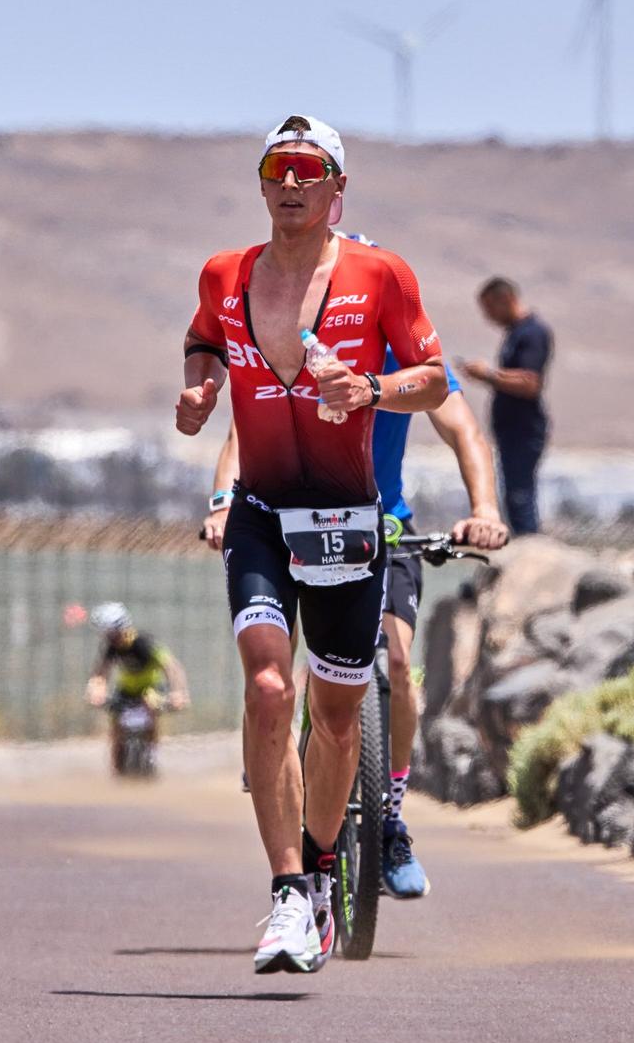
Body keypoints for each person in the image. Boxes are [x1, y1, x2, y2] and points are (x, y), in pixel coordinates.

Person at [178, 113, 449, 975]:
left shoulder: (382, 275)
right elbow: (200, 339)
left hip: (347, 521)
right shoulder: (226, 273)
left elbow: (436, 381)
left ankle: (326, 873)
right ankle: (288, 892)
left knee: (334, 719)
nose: (291, 184)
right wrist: (198, 388)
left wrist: (367, 387)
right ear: (261, 184)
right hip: (260, 509)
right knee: (266, 684)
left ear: (338, 190)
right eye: (277, 169)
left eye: (309, 171)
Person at [206, 230, 508, 898]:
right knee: (274, 669)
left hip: (381, 528)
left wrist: (483, 508)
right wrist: (224, 501)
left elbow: (462, 427)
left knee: (397, 665)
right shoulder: (294, 352)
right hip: (289, 521)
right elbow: (239, 434)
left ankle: (391, 817)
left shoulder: (404, 356)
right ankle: (279, 763)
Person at [456, 277, 553, 536]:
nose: (488, 317)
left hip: (524, 429)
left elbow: (530, 382)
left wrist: (487, 374)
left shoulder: (533, 332)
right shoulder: (515, 333)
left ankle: (529, 548)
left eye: (490, 308)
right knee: (512, 493)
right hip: (511, 430)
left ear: (506, 299)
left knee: (520, 495)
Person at [84, 603, 191, 773]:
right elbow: (100, 672)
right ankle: (117, 768)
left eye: (113, 634)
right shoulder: (112, 648)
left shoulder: (144, 643)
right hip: (126, 690)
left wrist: (178, 692)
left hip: (150, 688)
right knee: (116, 728)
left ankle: (151, 753)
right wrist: (95, 690)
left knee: (151, 706)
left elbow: (171, 667)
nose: (112, 639)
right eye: (108, 636)